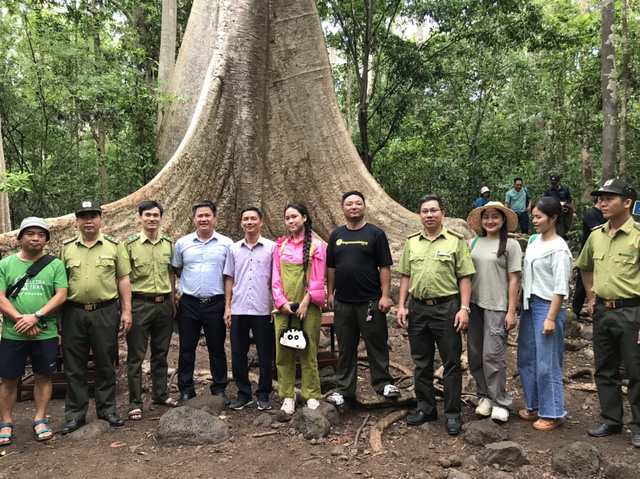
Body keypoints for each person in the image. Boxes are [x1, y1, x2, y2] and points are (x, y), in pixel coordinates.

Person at [397, 194, 475, 435]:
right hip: (418, 308)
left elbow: (465, 276)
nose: (428, 215)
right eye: (424, 211)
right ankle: (426, 408)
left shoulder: (456, 241)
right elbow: (405, 275)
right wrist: (402, 305)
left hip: (447, 308)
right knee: (421, 362)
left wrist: (464, 308)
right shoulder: (412, 242)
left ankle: (452, 414)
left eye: (433, 210)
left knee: (451, 363)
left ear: (442, 213)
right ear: (419, 215)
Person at [576, 178, 640, 448]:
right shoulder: (596, 235)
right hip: (603, 311)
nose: (601, 203)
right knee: (604, 369)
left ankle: (638, 425)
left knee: (637, 371)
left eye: (608, 198)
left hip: (633, 312)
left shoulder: (638, 235)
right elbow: (586, 266)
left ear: (627, 203)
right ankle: (611, 419)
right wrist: (591, 297)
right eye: (599, 198)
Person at [59, 200, 132, 434]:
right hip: (74, 312)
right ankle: (75, 414)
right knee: (74, 365)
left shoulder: (115, 245)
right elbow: (59, 283)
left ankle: (107, 409)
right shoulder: (67, 247)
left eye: (93, 216)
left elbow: (123, 279)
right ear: (77, 222)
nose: (88, 220)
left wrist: (127, 310)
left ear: (101, 219)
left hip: (105, 311)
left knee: (105, 361)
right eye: (83, 217)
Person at [325, 191, 400, 408]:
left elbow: (384, 266)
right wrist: (331, 293)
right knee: (346, 346)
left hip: (370, 301)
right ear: (342, 209)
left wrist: (385, 296)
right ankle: (343, 389)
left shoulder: (375, 234)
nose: (354, 207)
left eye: (358, 203)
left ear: (365, 207)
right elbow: (331, 267)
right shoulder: (336, 235)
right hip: (343, 302)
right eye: (349, 204)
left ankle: (384, 383)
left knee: (376, 343)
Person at [0, 218, 68, 445]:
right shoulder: (5, 264)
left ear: (46, 239)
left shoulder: (55, 265)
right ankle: (6, 422)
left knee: (42, 375)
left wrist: (36, 317)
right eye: (30, 233)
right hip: (13, 332)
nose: (36, 238)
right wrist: (22, 320)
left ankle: (40, 419)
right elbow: (0, 297)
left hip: (45, 331)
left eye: (41, 234)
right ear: (20, 237)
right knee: (9, 378)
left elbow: (60, 295)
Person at [517, 197, 572, 431]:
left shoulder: (559, 249)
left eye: (539, 217)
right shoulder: (532, 240)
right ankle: (534, 404)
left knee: (546, 361)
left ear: (553, 218)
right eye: (533, 217)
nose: (535, 221)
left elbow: (561, 287)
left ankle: (552, 411)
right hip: (529, 304)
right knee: (526, 357)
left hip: (548, 306)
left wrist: (551, 317)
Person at [172, 200, 233, 407]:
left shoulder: (226, 244)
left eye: (208, 215)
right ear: (194, 219)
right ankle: (186, 391)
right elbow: (178, 269)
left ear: (215, 218)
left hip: (215, 303)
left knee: (217, 348)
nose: (204, 219)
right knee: (186, 348)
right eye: (200, 216)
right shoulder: (183, 243)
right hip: (189, 303)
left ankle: (219, 389)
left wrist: (227, 305)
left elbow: (229, 275)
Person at [465, 202, 522, 422]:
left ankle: (500, 401)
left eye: (495, 217)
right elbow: (466, 276)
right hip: (474, 305)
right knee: (475, 354)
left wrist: (511, 312)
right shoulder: (472, 243)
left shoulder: (511, 245)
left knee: (493, 355)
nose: (490, 221)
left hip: (498, 306)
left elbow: (514, 279)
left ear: (503, 220)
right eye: (486, 217)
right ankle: (484, 396)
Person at [125, 201, 178, 421]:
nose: (152, 219)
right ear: (140, 217)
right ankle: (135, 402)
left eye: (156, 215)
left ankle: (160, 394)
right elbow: (124, 278)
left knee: (161, 353)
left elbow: (172, 273)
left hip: (164, 304)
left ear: (161, 218)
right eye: (148, 215)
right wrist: (126, 309)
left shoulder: (168, 243)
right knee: (136, 356)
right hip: (140, 304)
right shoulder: (129, 245)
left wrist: (173, 301)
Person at [272, 202, 326, 414]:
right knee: (283, 353)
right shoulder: (281, 246)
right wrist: (281, 302)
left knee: (308, 351)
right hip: (283, 308)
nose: (291, 221)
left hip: (309, 307)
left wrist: (305, 303)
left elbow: (317, 279)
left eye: (294, 216)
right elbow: (275, 278)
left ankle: (311, 393)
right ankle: (287, 395)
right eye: (287, 218)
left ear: (304, 217)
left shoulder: (316, 246)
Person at [223, 206, 276, 411]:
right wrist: (227, 306)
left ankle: (263, 393)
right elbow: (230, 277)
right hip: (239, 308)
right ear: (241, 223)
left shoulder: (272, 248)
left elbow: (276, 279)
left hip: (263, 309)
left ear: (261, 222)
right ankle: (243, 393)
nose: (249, 222)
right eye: (245, 219)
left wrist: (275, 306)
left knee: (265, 353)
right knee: (238, 353)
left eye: (253, 218)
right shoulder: (234, 249)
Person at [571, 197, 605, 314]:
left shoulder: (605, 215)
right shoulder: (591, 214)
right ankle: (575, 312)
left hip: (603, 254)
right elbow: (599, 231)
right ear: (599, 200)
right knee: (581, 285)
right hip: (588, 254)